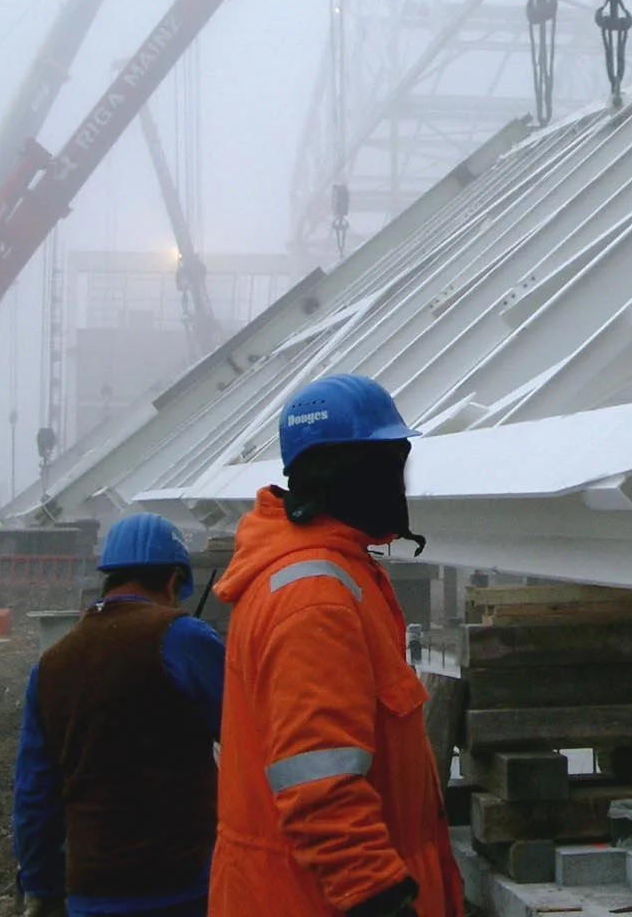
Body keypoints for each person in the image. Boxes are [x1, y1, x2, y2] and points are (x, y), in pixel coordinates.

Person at [210, 373, 462, 917]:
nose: (401, 485)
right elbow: (319, 785)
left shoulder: (329, 575)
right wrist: (379, 898)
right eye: (390, 464)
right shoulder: (314, 598)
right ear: (345, 472)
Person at [13, 513, 224, 917]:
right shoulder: (182, 637)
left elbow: (34, 793)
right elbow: (249, 736)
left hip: (91, 892)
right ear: (171, 582)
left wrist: (42, 887)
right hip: (182, 887)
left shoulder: (51, 665)